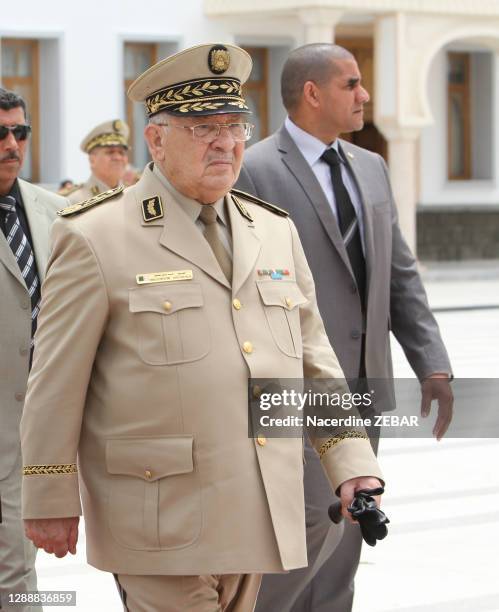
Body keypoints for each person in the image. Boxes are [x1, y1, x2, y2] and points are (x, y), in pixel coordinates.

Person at [20, 43, 384, 612]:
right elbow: (55, 381)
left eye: (235, 125)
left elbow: (315, 360)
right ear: (156, 140)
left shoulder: (271, 230)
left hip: (255, 509)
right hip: (159, 518)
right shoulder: (96, 236)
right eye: (203, 127)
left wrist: (353, 466)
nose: (226, 142)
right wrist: (48, 493)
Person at [236, 43, 453, 612]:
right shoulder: (254, 168)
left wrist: (430, 360)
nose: (365, 95)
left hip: (366, 386)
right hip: (295, 391)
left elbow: (397, 272)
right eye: (351, 84)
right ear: (312, 93)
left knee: (350, 532)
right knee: (311, 523)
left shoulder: (371, 167)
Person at [0, 88, 67, 611]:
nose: (12, 144)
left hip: (45, 423)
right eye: (0, 134)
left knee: (20, 562)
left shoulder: (58, 211)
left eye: (20, 132)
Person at [66, 119, 129, 203]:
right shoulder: (74, 201)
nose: (118, 157)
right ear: (92, 160)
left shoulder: (134, 195)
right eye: (110, 152)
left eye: (121, 153)